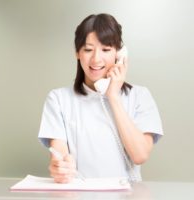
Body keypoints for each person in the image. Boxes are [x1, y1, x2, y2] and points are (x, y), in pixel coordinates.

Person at [38, 13, 163, 183]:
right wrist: (60, 168)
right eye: (88, 49)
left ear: (119, 53)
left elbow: (140, 155)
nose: (96, 59)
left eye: (106, 49)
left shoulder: (140, 96)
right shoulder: (58, 99)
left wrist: (113, 96)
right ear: (77, 52)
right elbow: (59, 155)